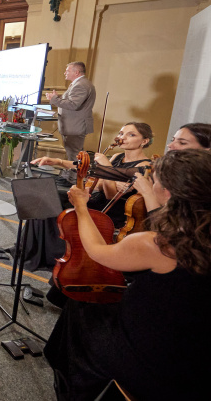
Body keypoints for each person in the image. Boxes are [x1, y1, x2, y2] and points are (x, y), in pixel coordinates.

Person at [44, 149, 211, 401]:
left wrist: (81, 208)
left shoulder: (157, 244)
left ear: (167, 192)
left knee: (82, 306)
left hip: (155, 357)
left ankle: (76, 388)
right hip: (197, 346)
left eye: (154, 181)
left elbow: (97, 251)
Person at [33, 122, 152, 229]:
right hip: (96, 200)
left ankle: (53, 243)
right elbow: (90, 169)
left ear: (144, 141)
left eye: (131, 135)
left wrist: (106, 167)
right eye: (121, 133)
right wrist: (58, 161)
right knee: (47, 198)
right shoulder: (118, 157)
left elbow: (110, 195)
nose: (122, 138)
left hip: (111, 210)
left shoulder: (145, 166)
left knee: (53, 203)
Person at [46, 61, 96, 165]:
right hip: (73, 126)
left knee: (74, 156)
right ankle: (71, 173)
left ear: (76, 72)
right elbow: (71, 101)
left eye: (67, 71)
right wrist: (57, 98)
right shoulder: (79, 83)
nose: (65, 73)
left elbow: (73, 105)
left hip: (75, 126)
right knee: (73, 154)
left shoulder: (81, 85)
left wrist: (54, 99)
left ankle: (73, 175)